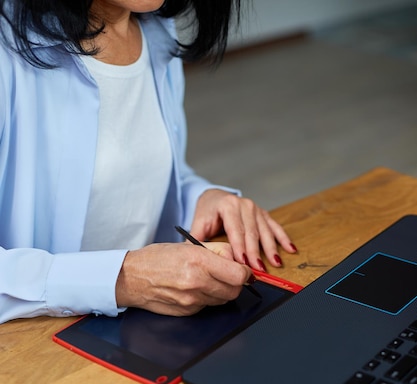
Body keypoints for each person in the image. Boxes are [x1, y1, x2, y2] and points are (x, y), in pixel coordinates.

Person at [0, 0, 297, 324]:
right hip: (32, 355)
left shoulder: (156, 31)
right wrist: (123, 278)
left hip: (141, 329)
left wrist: (200, 197)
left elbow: (136, 179)